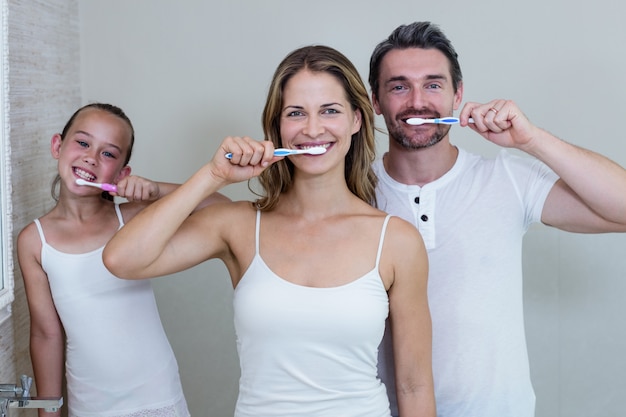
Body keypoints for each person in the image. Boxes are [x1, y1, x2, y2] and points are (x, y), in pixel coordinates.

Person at [103, 45, 436, 417]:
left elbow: (413, 384)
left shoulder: (397, 240)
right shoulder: (240, 225)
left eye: (330, 111)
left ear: (356, 120)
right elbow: (121, 259)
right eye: (296, 113)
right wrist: (212, 176)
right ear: (277, 128)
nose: (312, 129)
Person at [368, 21, 626, 417]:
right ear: (375, 101)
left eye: (433, 85)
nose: (417, 101)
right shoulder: (353, 194)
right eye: (399, 86)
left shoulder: (506, 179)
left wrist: (531, 139)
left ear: (458, 95)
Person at [17, 102, 228, 417]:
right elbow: (46, 334)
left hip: (156, 395)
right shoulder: (35, 241)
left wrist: (155, 191)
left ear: (122, 173)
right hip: (90, 405)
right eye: (83, 143)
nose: (91, 156)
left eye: (108, 153)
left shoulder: (132, 218)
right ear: (57, 146)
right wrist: (48, 410)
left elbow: (219, 207)